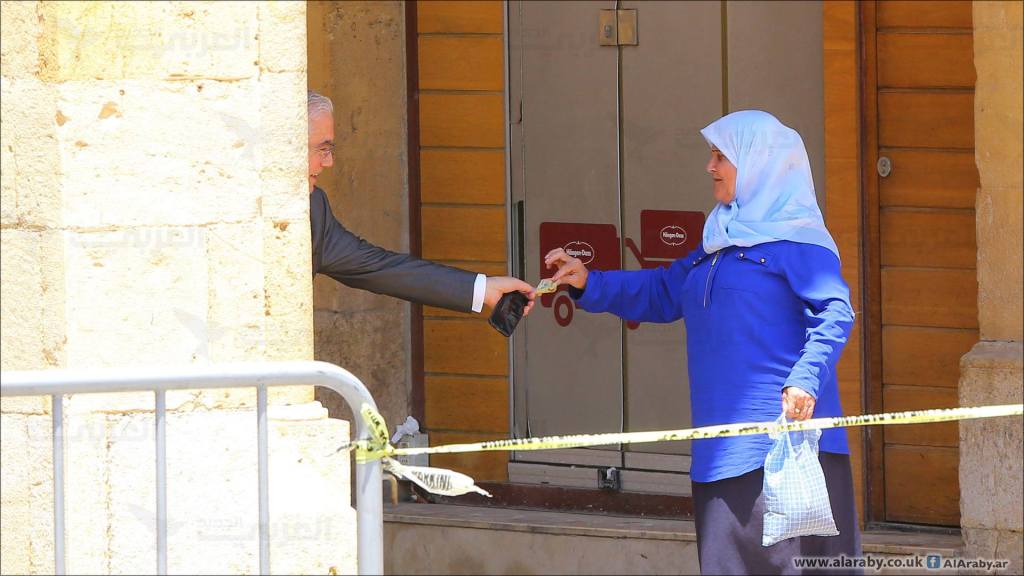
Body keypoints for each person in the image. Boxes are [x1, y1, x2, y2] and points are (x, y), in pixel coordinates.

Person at [545, 110, 861, 575]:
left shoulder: (801, 243)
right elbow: (663, 292)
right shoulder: (716, 242)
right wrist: (588, 282)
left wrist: (805, 379)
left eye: (720, 156)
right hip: (719, 454)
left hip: (788, 451)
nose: (709, 167)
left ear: (759, 164)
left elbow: (835, 312)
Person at [307, 90, 534, 315]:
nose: (329, 162)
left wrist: (484, 290)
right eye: (322, 149)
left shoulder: (315, 207)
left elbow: (381, 268)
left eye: (330, 150)